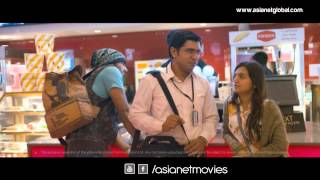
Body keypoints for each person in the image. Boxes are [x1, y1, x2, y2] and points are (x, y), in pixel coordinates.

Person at [129, 30, 218, 157]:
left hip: (196, 152)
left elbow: (211, 117)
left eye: (198, 51)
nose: (195, 57)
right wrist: (161, 125)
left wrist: (203, 139)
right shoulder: (152, 80)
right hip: (162, 152)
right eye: (189, 51)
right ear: (174, 52)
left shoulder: (202, 83)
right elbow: (135, 115)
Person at [65, 48, 135, 157]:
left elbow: (102, 124)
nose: (125, 69)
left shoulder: (90, 78)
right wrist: (138, 139)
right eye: (122, 63)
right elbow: (125, 111)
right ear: (111, 61)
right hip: (90, 149)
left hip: (78, 146)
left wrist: (127, 148)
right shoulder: (110, 70)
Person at [223, 61, 289, 157]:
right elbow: (226, 132)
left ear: (254, 83)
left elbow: (280, 145)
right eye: (235, 76)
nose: (235, 80)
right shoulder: (229, 104)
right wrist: (238, 149)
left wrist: (251, 156)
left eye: (241, 77)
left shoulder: (269, 107)